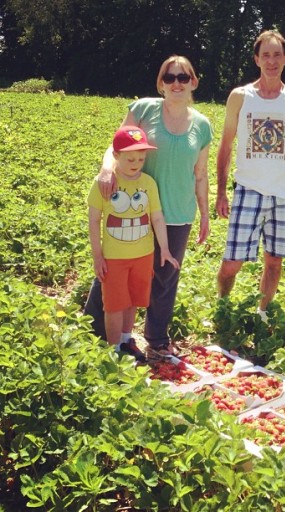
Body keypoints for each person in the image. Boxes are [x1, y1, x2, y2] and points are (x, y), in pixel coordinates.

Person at [84, 55, 212, 355]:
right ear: (161, 83)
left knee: (165, 275)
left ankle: (155, 338)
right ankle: (92, 330)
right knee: (117, 268)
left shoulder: (202, 126)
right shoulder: (143, 108)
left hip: (178, 211)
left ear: (193, 82)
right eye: (170, 77)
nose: (176, 83)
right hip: (137, 208)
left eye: (183, 77)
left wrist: (204, 212)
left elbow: (201, 174)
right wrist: (106, 169)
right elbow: (115, 145)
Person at [215, 30, 285, 322]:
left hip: (284, 193)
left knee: (274, 262)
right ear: (256, 59)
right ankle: (222, 305)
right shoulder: (241, 97)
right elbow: (226, 145)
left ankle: (262, 313)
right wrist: (220, 192)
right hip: (248, 189)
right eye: (265, 55)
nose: (271, 61)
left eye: (277, 54)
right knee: (232, 262)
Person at [88, 126, 180, 362]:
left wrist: (166, 249)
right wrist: (98, 256)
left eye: (141, 158)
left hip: (143, 255)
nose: (136, 163)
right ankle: (113, 351)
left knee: (133, 299)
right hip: (114, 257)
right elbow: (94, 221)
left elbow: (157, 217)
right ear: (116, 156)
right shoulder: (104, 184)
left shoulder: (148, 183)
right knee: (114, 305)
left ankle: (126, 340)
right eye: (130, 158)